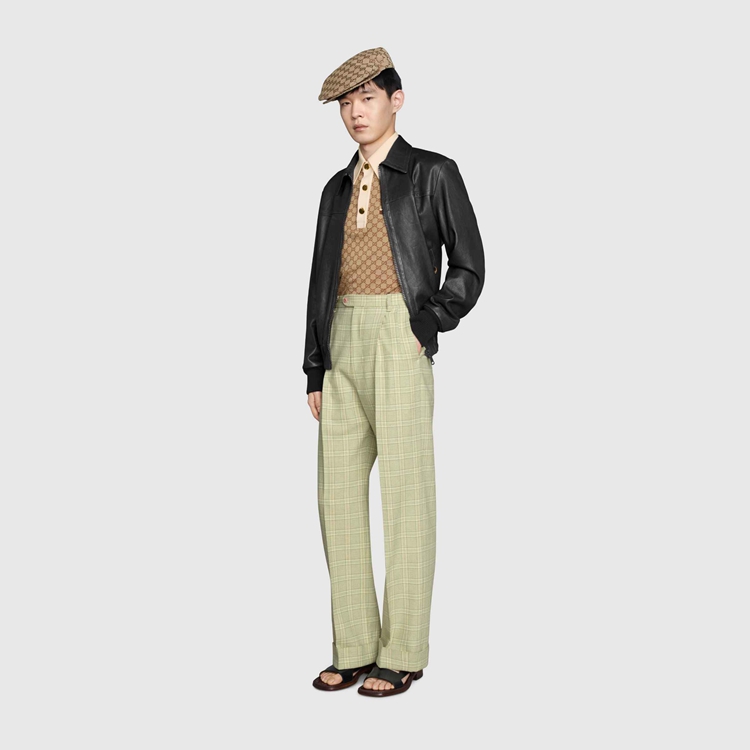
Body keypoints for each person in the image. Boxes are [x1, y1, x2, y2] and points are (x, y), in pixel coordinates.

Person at [304, 47, 485, 697]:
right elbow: (318, 280)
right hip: (341, 339)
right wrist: (314, 367)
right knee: (337, 499)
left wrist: (426, 323)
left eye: (368, 99)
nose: (356, 112)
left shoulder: (432, 172)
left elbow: (469, 264)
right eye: (346, 104)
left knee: (406, 498)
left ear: (395, 101)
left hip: (399, 334)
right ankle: (354, 646)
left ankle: (403, 651)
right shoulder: (334, 187)